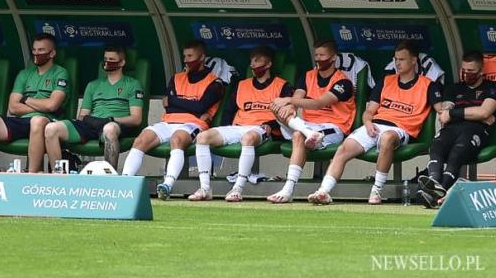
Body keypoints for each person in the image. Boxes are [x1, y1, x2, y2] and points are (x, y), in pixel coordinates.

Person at [308, 41, 443, 205]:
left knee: (387, 137)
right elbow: (369, 111)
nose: (398, 63)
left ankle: (377, 190)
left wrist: (448, 110)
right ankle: (323, 191)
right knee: (344, 148)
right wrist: (368, 122)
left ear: (414, 61)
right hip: (375, 125)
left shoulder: (427, 84)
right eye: (396, 59)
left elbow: (441, 109)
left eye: (402, 59)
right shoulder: (387, 81)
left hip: (400, 129)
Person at [188, 45, 292, 202]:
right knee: (203, 137)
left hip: (262, 129)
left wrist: (272, 125)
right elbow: (228, 111)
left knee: (248, 138)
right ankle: (205, 188)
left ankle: (237, 188)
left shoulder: (282, 85)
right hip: (239, 127)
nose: (253, 64)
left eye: (257, 60)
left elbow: (287, 115)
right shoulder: (242, 85)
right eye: (251, 61)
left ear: (269, 64)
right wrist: (224, 128)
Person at [121, 40, 223, 200]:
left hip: (193, 124)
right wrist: (190, 105)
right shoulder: (177, 78)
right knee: (141, 139)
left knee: (177, 139)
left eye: (190, 56)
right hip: (168, 121)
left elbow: (199, 107)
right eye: (185, 56)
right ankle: (125, 181)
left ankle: (167, 185)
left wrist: (175, 101)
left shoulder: (215, 82)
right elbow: (169, 107)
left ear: (202, 57)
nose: (186, 60)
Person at [265, 40, 355, 204]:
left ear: (333, 58)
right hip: (308, 126)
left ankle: (289, 188)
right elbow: (298, 98)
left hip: (333, 127)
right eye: (316, 55)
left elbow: (318, 103)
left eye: (322, 55)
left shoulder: (343, 82)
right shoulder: (307, 76)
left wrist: (287, 100)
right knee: (277, 108)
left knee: (295, 127)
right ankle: (288, 190)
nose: (319, 59)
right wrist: (290, 105)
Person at [0, 33, 70, 173]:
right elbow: (13, 107)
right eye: (34, 50)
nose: (36, 53)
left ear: (52, 53)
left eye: (41, 50)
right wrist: (41, 105)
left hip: (47, 122)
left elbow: (52, 105)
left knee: (37, 120)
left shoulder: (60, 73)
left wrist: (25, 100)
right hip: (21, 121)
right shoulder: (24, 74)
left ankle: (31, 173)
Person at [417, 51, 496, 208]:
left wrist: (454, 113)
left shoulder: (493, 87)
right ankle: (434, 182)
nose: (466, 74)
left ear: (481, 71)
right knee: (437, 145)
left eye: (471, 71)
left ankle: (435, 191)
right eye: (464, 70)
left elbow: (485, 112)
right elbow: (444, 115)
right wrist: (472, 113)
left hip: (476, 130)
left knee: (457, 152)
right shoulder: (454, 88)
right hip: (452, 130)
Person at [44, 46, 144, 171]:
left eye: (112, 59)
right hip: (92, 124)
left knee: (110, 128)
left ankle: (109, 176)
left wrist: (112, 119)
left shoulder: (132, 84)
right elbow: (82, 115)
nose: (107, 62)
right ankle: (57, 176)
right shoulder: (93, 85)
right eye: (105, 59)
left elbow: (136, 119)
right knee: (51, 129)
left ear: (122, 62)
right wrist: (92, 121)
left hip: (115, 124)